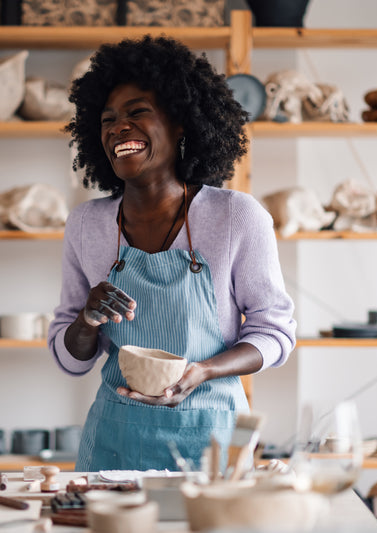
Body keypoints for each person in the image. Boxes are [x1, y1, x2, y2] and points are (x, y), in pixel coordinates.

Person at [47, 35, 296, 472]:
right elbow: (70, 358)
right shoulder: (87, 225)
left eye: (137, 112)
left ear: (181, 123)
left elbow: (274, 333)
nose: (118, 127)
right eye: (107, 120)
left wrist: (203, 371)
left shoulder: (236, 217)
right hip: (114, 437)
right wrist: (87, 318)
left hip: (214, 433)